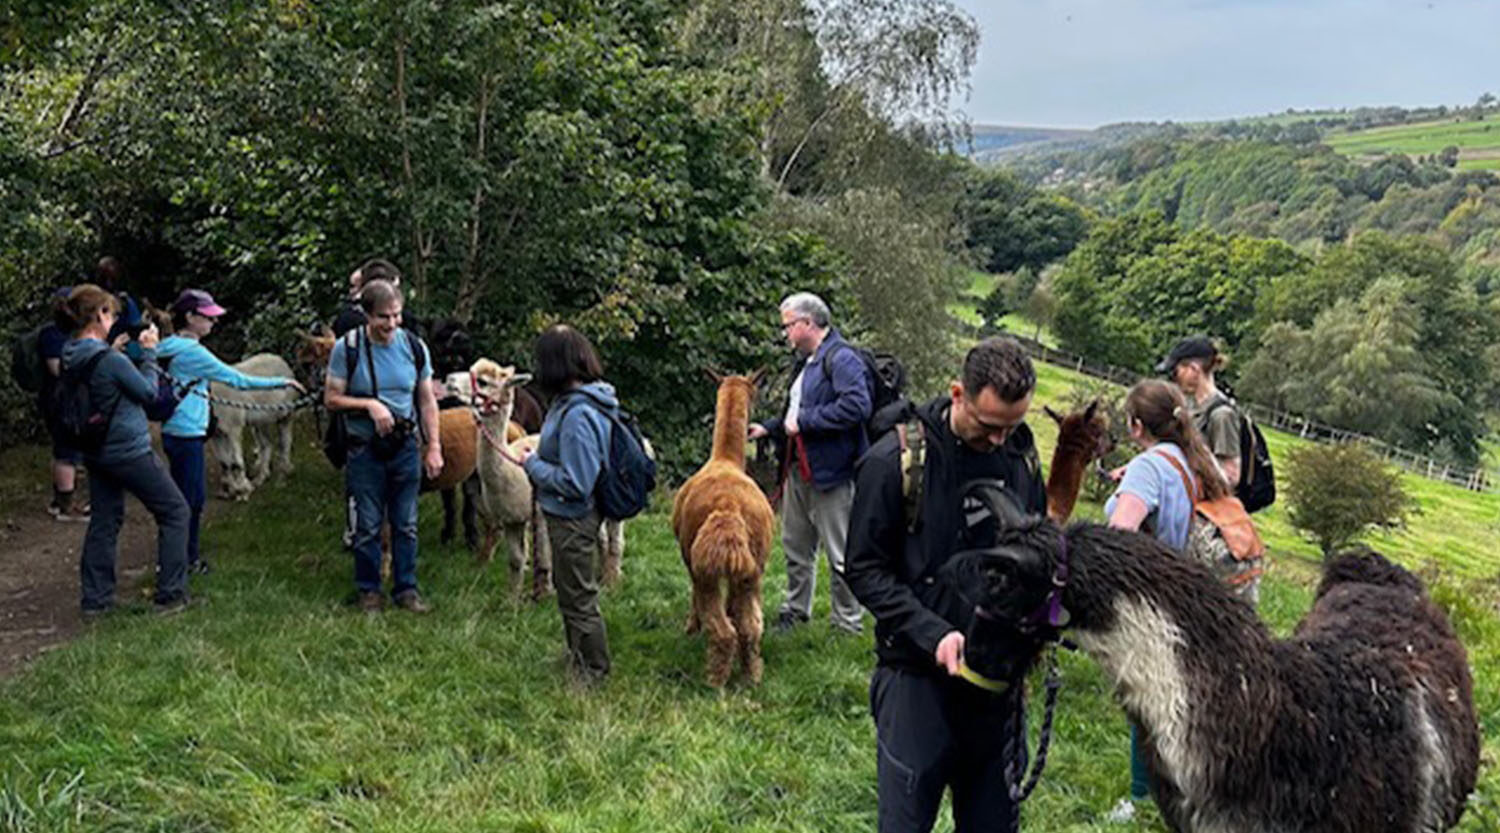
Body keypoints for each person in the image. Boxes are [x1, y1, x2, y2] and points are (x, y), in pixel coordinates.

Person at [845, 336, 1048, 833]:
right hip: (914, 679)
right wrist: (931, 632)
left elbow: (1036, 554)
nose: (999, 440)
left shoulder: (1021, 459)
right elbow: (864, 568)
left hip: (998, 690)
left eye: (1011, 426)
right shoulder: (895, 462)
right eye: (988, 425)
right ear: (958, 394)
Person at [1102, 378, 1230, 824]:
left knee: (1144, 704)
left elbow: (1120, 536)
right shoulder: (1192, 460)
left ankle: (1143, 800)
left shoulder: (1148, 468)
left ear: (1136, 426)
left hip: (1146, 599)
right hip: (1185, 595)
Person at [57, 284, 191, 618]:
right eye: (110, 313)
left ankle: (96, 600)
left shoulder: (70, 353)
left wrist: (114, 350)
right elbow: (148, 393)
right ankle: (171, 595)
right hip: (128, 449)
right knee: (175, 511)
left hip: (95, 448)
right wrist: (149, 353)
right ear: (98, 315)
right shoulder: (110, 360)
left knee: (105, 520)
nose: (114, 320)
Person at [747, 292, 872, 635]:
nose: (785, 333)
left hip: (834, 474)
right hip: (797, 470)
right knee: (795, 546)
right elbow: (794, 413)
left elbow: (857, 406)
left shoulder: (842, 358)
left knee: (840, 553)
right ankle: (795, 610)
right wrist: (769, 428)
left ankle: (847, 623)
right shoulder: (805, 362)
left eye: (788, 325)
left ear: (807, 323)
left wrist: (805, 421)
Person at [157, 289, 303, 574]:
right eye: (207, 317)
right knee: (191, 502)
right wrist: (280, 383)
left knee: (182, 497)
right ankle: (183, 562)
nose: (213, 323)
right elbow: (236, 379)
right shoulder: (193, 352)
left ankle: (177, 559)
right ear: (190, 317)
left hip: (172, 429)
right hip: (188, 431)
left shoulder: (167, 346)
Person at [324, 277, 442, 613]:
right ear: (367, 315)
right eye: (383, 317)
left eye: (396, 315)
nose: (391, 324)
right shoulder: (347, 348)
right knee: (369, 523)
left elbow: (426, 400)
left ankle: (406, 589)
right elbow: (331, 398)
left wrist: (434, 445)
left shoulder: (414, 347)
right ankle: (369, 590)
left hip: (405, 446)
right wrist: (369, 405)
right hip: (364, 448)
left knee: (406, 523)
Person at [522, 325, 615, 683]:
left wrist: (532, 465)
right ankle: (578, 656)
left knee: (579, 597)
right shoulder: (572, 403)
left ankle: (594, 671)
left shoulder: (578, 414)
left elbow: (577, 482)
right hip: (566, 514)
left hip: (574, 516)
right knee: (571, 592)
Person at [1156, 336, 1241, 487]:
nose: (1174, 378)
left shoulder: (1222, 415)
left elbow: (1231, 477)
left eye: (1176, 371)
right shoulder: (1189, 406)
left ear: (1194, 369)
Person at [38, 287, 89, 522]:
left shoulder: (70, 332)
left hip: (68, 398)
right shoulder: (53, 334)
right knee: (66, 451)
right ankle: (65, 506)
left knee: (67, 449)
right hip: (60, 399)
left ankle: (61, 500)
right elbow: (56, 368)